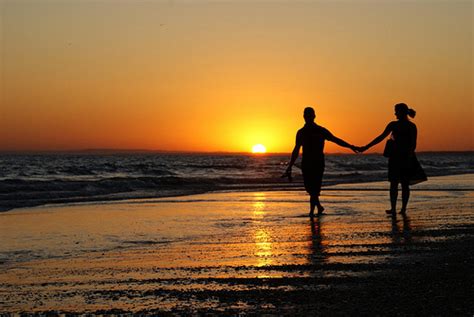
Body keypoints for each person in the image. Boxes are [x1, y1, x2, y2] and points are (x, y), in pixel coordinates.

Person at [283, 107, 358, 217]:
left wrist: (350, 146)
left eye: (310, 114)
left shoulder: (321, 130)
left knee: (314, 189)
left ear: (314, 116)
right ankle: (319, 207)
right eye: (306, 114)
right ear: (303, 116)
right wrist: (289, 166)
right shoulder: (301, 132)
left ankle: (312, 212)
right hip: (306, 163)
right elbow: (296, 150)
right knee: (309, 188)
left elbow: (336, 140)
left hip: (318, 162)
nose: (308, 116)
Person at [359, 103, 425, 214]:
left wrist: (366, 147)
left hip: (399, 157)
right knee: (403, 184)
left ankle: (397, 208)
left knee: (396, 184)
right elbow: (413, 144)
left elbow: (381, 137)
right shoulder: (411, 126)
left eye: (396, 111)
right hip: (404, 157)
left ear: (401, 112)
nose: (395, 113)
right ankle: (400, 209)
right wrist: (366, 147)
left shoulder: (395, 125)